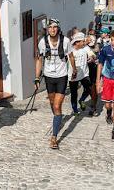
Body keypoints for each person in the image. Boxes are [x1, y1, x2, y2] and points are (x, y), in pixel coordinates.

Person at [35, 18, 77, 149]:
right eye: (50, 27)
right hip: (48, 77)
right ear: (47, 29)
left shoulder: (66, 41)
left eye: (54, 27)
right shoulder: (42, 42)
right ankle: (57, 119)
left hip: (61, 76)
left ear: (58, 28)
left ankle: (54, 137)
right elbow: (39, 60)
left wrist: (74, 69)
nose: (52, 29)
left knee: (58, 106)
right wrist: (37, 78)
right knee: (53, 104)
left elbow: (70, 56)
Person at [68, 32, 91, 115]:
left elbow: (92, 55)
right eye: (82, 41)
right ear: (77, 42)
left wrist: (92, 57)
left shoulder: (85, 48)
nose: (84, 42)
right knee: (74, 94)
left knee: (89, 89)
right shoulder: (70, 51)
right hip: (73, 75)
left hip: (84, 74)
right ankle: (75, 110)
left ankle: (81, 100)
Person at [86, 34, 100, 116]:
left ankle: (93, 107)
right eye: (90, 39)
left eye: (93, 40)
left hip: (94, 70)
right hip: (85, 70)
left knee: (93, 88)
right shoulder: (84, 47)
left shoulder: (98, 47)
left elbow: (100, 59)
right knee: (88, 89)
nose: (92, 41)